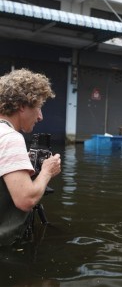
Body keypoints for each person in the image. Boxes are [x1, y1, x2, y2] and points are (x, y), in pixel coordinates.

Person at [0, 68, 61, 246]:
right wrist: (47, 172)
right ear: (22, 106)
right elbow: (26, 200)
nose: (41, 116)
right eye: (39, 107)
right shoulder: (10, 137)